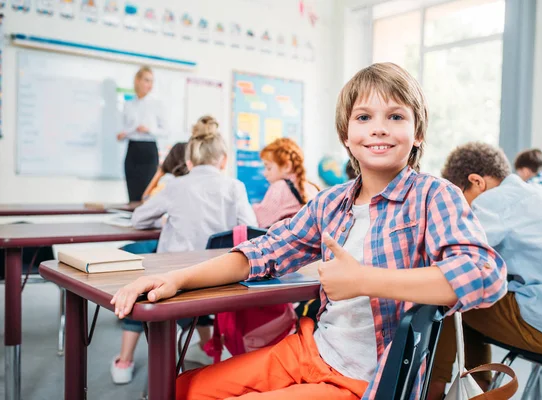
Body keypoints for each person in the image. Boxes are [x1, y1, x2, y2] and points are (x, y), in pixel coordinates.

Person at [111, 62, 507, 400]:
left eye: (396, 117)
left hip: (363, 381)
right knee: (184, 389)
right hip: (311, 348)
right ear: (346, 136)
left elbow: (484, 275)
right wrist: (176, 277)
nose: (379, 129)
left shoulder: (434, 196)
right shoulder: (331, 202)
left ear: (418, 133)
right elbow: (261, 252)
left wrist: (366, 280)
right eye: (364, 117)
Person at [429, 142, 542, 399]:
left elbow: (458, 252)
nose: (464, 211)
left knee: (450, 297)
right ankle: (477, 391)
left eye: (461, 201)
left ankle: (433, 392)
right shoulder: (538, 195)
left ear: (476, 182)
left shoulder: (494, 201)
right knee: (472, 303)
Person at [110, 117, 257, 384]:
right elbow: (250, 229)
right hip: (216, 278)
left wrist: (166, 219)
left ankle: (124, 360)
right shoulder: (235, 187)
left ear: (189, 162)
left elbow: (138, 219)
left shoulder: (176, 186)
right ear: (223, 160)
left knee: (141, 285)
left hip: (170, 280)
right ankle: (206, 347)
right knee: (192, 298)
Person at [117, 66, 166, 202]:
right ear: (137, 81)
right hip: (133, 150)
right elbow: (125, 129)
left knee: (147, 196)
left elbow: (166, 131)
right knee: (133, 195)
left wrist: (149, 130)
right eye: (146, 80)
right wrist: (123, 135)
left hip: (149, 151)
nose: (149, 85)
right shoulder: (128, 104)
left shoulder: (156, 104)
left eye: (151, 81)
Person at [252, 138, 320, 228]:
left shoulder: (280, 187)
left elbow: (259, 220)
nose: (265, 173)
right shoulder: (312, 187)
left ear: (287, 166)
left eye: (268, 168)